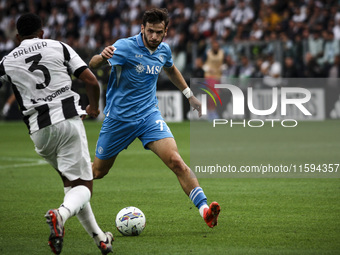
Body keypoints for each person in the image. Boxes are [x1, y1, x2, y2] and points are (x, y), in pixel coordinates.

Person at [89, 8, 220, 228]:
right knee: (98, 172)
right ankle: (69, 195)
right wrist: (102, 57)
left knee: (177, 162)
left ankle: (205, 211)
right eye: (150, 31)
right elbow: (92, 65)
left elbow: (171, 69)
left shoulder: (163, 50)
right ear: (142, 28)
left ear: (165, 31)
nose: (154, 37)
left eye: (159, 32)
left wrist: (190, 96)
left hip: (149, 116)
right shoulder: (124, 46)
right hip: (119, 120)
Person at [0, 13, 113, 254]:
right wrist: (93, 107)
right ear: (42, 32)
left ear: (18, 37)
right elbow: (91, 81)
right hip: (67, 121)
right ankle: (59, 215)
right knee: (85, 186)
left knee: (71, 185)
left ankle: (101, 239)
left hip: (38, 132)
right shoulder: (59, 47)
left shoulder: (7, 61)